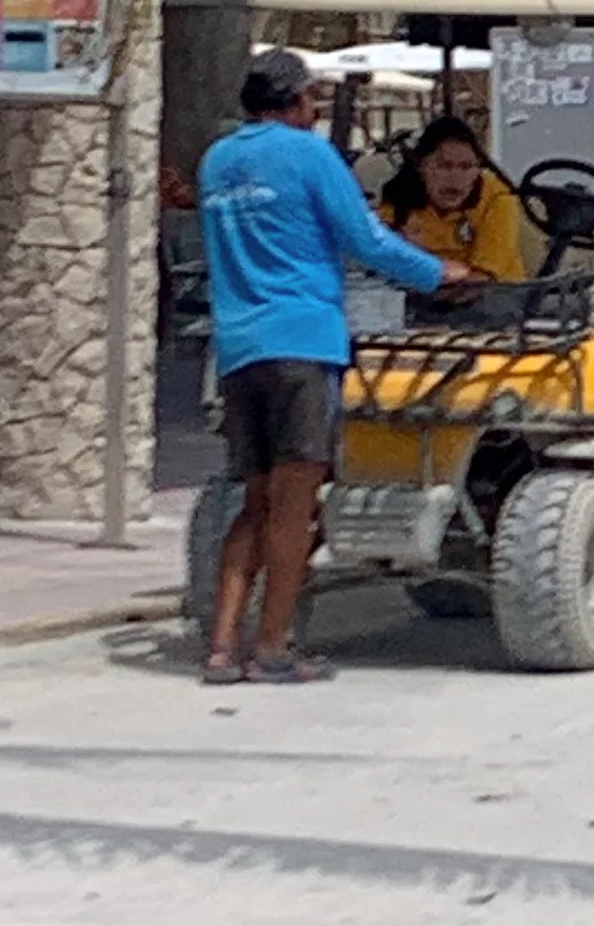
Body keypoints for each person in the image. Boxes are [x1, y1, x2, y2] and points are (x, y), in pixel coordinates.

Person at [196, 49, 458, 686]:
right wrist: (439, 275)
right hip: (303, 343)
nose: (314, 111)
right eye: (311, 100)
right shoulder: (309, 155)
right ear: (293, 101)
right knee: (295, 507)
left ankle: (222, 648)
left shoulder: (217, 161)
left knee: (253, 502)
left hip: (236, 347)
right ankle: (273, 648)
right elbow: (365, 240)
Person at [382, 116, 528, 286]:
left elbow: (481, 279)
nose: (455, 178)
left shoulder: (497, 198)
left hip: (494, 302)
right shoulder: (400, 200)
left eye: (466, 167)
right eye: (444, 166)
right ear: (421, 166)